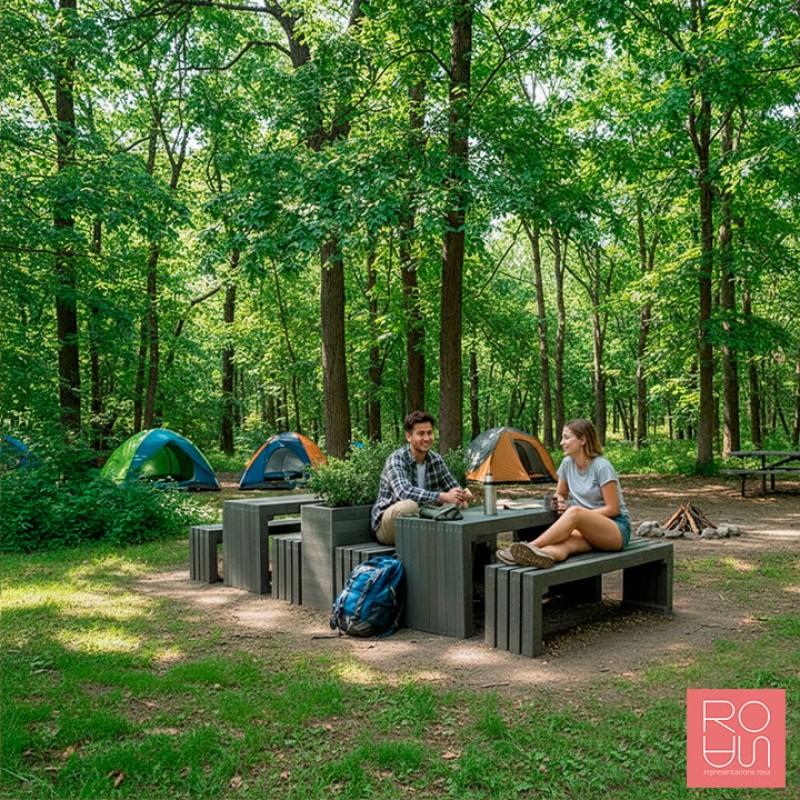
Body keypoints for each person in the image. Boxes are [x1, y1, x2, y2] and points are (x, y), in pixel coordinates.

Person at [497, 418, 631, 568]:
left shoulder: (602, 467)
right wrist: (559, 500)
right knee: (565, 546)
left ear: (582, 440)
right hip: (585, 528)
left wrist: (580, 516)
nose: (561, 442)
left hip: (616, 529)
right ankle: (528, 557)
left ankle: (528, 546)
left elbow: (613, 509)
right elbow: (560, 493)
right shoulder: (567, 463)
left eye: (566, 438)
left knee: (574, 512)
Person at [371, 410, 474, 545]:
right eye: (421, 434)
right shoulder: (397, 459)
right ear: (409, 436)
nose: (427, 438)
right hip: (389, 525)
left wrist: (462, 494)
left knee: (460, 503)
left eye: (429, 433)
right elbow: (404, 492)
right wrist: (442, 497)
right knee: (409, 506)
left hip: (422, 520)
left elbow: (453, 486)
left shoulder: (435, 459)